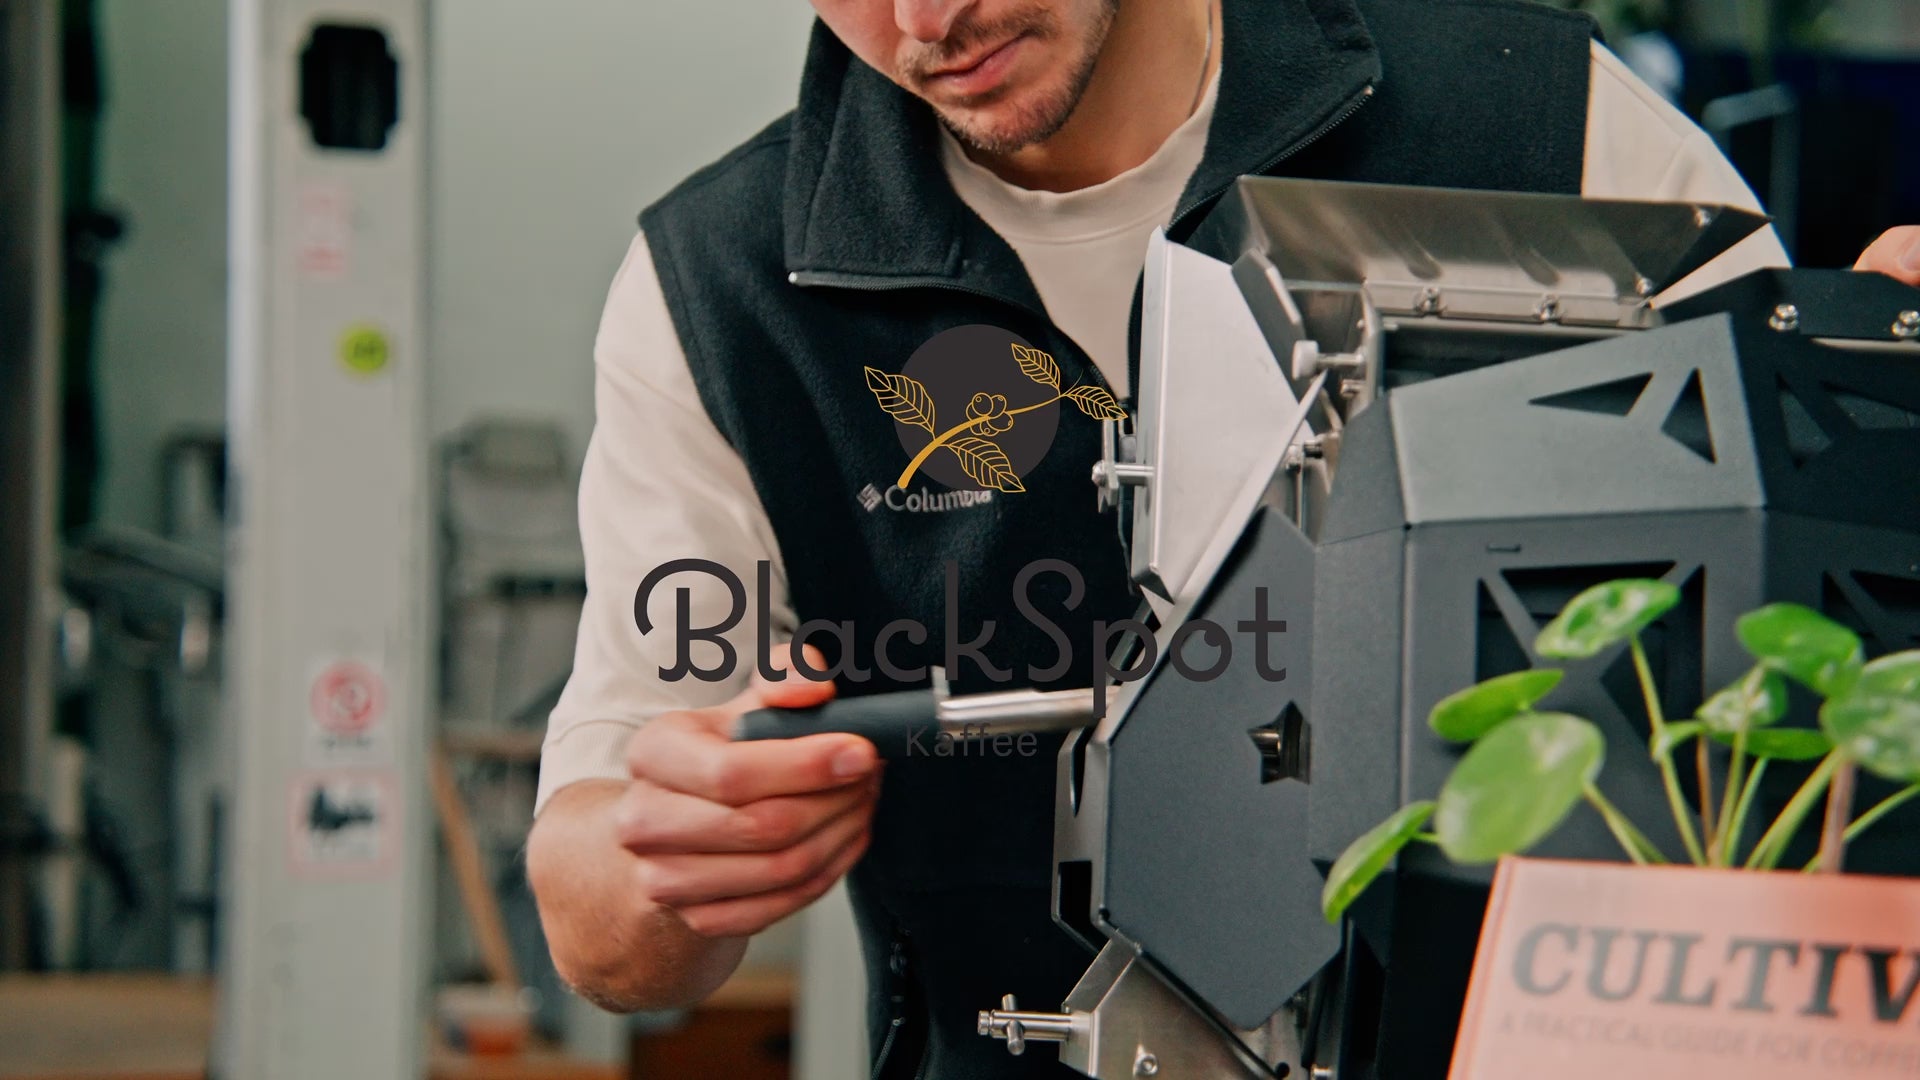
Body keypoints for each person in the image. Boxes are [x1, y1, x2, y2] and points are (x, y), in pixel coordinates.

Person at [527, 2, 1920, 1077]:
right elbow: (599, 897)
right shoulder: (725, 288)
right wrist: (666, 860)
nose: (928, 20)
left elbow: (1818, 630)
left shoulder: (1541, 122)